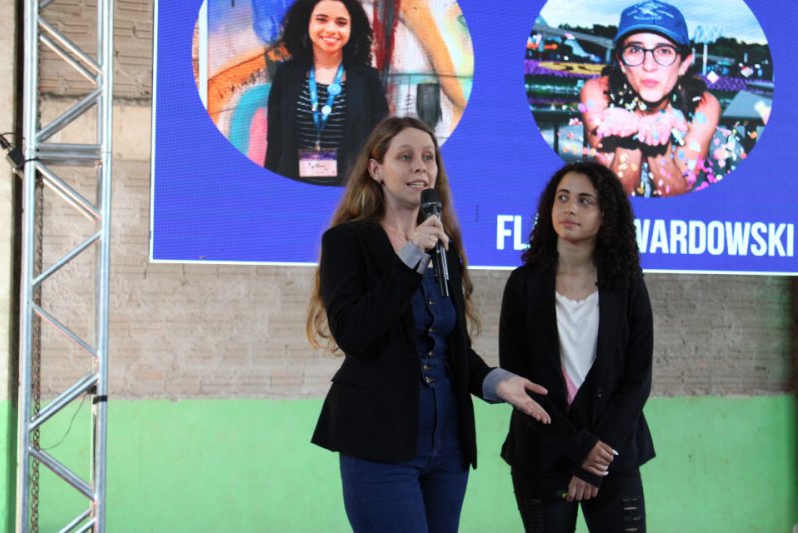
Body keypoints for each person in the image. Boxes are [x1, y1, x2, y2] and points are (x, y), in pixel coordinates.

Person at [307, 116, 551, 532]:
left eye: (428, 157)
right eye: (405, 157)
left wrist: (496, 382)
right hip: (379, 440)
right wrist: (411, 255)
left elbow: (450, 347)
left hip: (448, 444)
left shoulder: (444, 248)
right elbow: (354, 333)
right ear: (376, 170)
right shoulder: (347, 242)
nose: (421, 166)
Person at [499, 161, 655, 532]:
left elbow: (638, 379)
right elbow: (518, 385)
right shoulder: (523, 284)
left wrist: (596, 458)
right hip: (542, 453)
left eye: (585, 201)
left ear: (606, 215)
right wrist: (578, 446)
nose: (570, 208)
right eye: (563, 198)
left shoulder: (627, 284)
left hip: (612, 455)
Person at [579, 0, 721, 197]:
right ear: (621, 62)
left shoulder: (703, 105)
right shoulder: (598, 93)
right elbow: (617, 196)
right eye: (635, 49)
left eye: (664, 51)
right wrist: (629, 138)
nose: (648, 65)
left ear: (684, 64)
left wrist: (657, 143)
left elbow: (676, 194)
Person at [265, 0, 388, 185]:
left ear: (352, 28)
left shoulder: (367, 79)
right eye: (321, 19)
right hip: (294, 188)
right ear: (306, 22)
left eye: (341, 23)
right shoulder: (286, 75)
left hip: (349, 192)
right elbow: (275, 140)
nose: (331, 29)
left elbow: (380, 142)